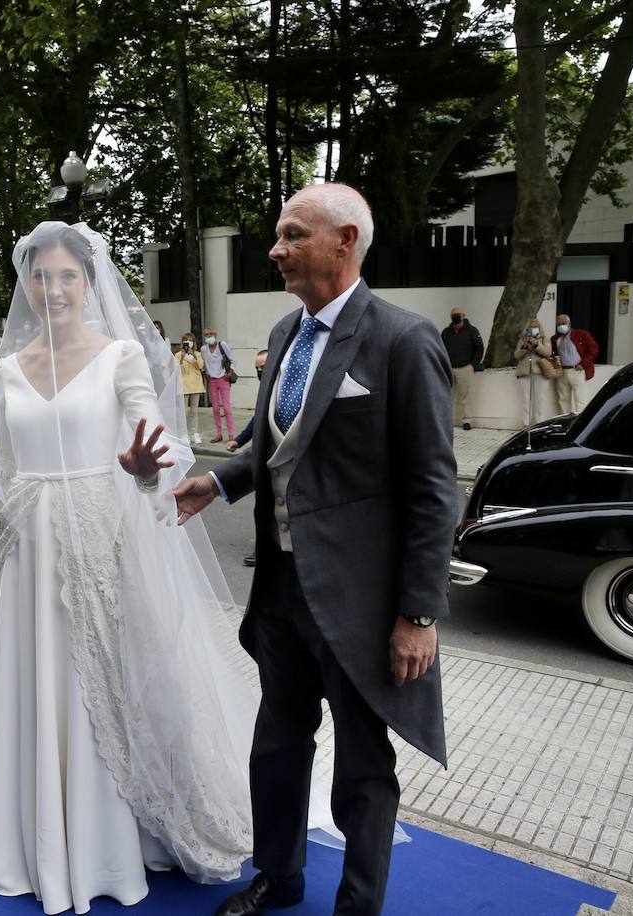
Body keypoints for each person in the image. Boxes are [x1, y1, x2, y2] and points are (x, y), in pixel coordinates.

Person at [0, 222, 346, 915]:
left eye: (67, 276)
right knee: (39, 685)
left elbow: (158, 438)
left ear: (88, 283)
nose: (54, 288)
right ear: (27, 285)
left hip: (97, 544)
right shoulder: (9, 366)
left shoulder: (119, 355)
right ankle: (37, 839)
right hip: (28, 551)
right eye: (41, 276)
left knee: (104, 690)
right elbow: (5, 457)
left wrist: (150, 465)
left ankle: (104, 844)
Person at [173, 184, 457, 916]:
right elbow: (278, 448)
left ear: (346, 241)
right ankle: (280, 876)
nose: (276, 249)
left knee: (364, 767)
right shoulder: (288, 333)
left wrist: (419, 614)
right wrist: (220, 481)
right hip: (280, 592)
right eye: (278, 235)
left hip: (362, 602)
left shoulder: (403, 340)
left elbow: (432, 488)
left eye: (294, 234)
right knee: (276, 748)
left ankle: (357, 905)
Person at [226, 349, 268, 569]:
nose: (260, 371)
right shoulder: (266, 387)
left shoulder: (286, 385)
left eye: (263, 367)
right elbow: (257, 419)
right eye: (257, 369)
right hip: (266, 460)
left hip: (286, 460)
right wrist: (239, 441)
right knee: (263, 506)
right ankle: (262, 549)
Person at [440, 306, 482, 430]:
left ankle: (467, 421)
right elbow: (440, 348)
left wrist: (473, 365)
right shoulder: (446, 332)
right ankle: (446, 420)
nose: (456, 317)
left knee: (466, 396)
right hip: (448, 368)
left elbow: (479, 348)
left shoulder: (472, 331)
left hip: (465, 368)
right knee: (446, 395)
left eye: (458, 314)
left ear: (463, 315)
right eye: (453, 315)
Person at [551, 314, 600, 415]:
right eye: (558, 324)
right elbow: (553, 354)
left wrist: (583, 364)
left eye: (563, 323)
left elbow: (593, 349)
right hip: (562, 372)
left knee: (580, 399)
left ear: (569, 324)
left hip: (578, 370)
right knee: (563, 400)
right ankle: (565, 422)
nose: (561, 326)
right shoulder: (555, 339)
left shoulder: (581, 334)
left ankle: (580, 422)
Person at [513, 318, 557, 426]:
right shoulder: (523, 339)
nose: (533, 329)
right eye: (530, 327)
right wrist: (525, 346)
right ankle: (525, 425)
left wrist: (537, 344)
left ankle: (539, 424)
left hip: (541, 372)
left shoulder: (545, 338)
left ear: (539, 328)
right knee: (525, 400)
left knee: (540, 400)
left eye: (535, 327)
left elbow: (548, 353)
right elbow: (516, 356)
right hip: (525, 372)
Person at [202, 325, 236, 443]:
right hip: (212, 381)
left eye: (210, 335)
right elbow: (204, 364)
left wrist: (229, 373)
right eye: (206, 335)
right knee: (216, 409)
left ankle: (231, 434)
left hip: (223, 379)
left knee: (226, 408)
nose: (208, 337)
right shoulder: (203, 349)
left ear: (215, 336)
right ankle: (219, 433)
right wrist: (207, 376)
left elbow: (232, 359)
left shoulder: (222, 345)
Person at [176, 331, 207, 444]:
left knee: (194, 411)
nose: (188, 343)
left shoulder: (197, 354)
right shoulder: (178, 354)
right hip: (183, 385)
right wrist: (181, 358)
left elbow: (201, 366)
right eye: (186, 340)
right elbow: (176, 370)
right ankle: (184, 434)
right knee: (183, 412)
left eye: (191, 341)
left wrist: (193, 355)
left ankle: (194, 433)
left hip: (196, 384)